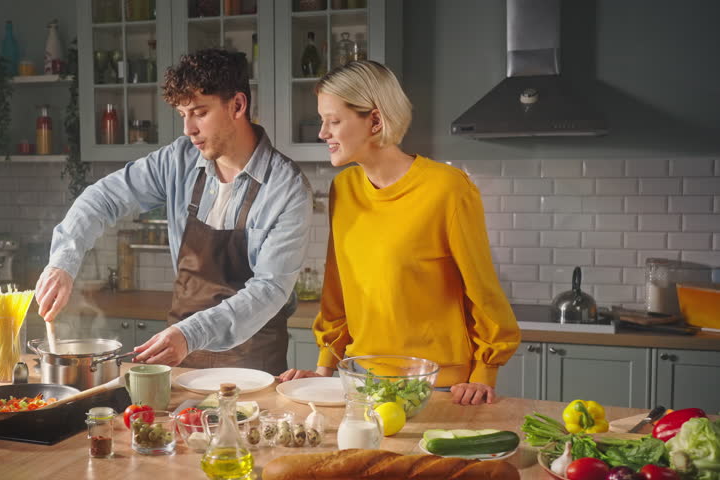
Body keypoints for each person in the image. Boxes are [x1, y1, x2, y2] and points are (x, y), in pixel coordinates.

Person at [35, 49, 313, 375]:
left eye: (199, 112)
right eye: (183, 113)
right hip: (180, 357)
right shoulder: (178, 160)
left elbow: (269, 289)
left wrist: (190, 334)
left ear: (238, 105)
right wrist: (62, 263)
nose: (188, 129)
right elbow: (101, 199)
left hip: (251, 365)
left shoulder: (286, 187)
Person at [277, 60, 520, 405]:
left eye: (334, 121)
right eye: (322, 121)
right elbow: (337, 287)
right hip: (359, 378)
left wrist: (484, 374)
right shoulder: (343, 188)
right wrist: (324, 370)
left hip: (438, 384)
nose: (322, 133)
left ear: (374, 120)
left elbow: (482, 290)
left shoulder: (448, 189)